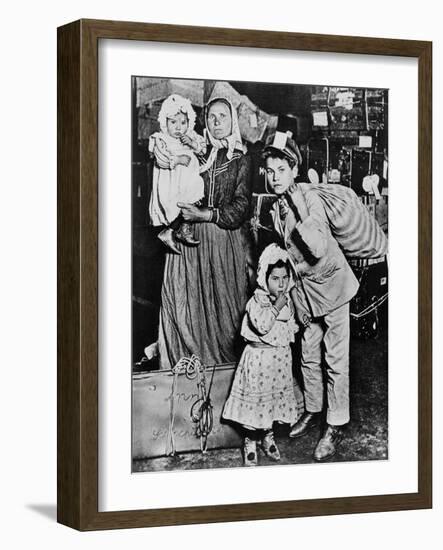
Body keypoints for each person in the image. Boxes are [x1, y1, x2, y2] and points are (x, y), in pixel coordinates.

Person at [262, 131, 359, 461]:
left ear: (295, 170)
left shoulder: (308, 198)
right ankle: (314, 410)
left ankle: (335, 424)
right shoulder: (277, 206)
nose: (274, 178)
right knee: (307, 353)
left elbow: (316, 247)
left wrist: (299, 204)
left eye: (281, 170)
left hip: (332, 286)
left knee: (335, 359)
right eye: (269, 171)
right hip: (307, 293)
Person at [153, 96, 253, 370]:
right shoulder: (199, 152)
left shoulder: (241, 160)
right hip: (188, 241)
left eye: (222, 116)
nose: (217, 121)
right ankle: (184, 367)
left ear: (233, 121)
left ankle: (223, 375)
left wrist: (206, 215)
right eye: (211, 117)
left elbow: (241, 207)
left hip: (221, 240)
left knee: (224, 310)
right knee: (185, 306)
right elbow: (171, 167)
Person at [222, 244, 301, 466]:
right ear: (264, 278)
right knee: (256, 402)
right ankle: (250, 440)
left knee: (272, 401)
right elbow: (263, 325)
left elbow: (290, 327)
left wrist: (293, 325)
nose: (282, 283)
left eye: (285, 278)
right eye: (275, 278)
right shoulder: (256, 302)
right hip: (259, 362)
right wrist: (277, 306)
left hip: (278, 362)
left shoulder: (286, 300)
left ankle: (268, 436)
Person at [148, 94, 206, 253]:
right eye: (173, 122)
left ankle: (179, 230)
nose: (178, 127)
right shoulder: (161, 139)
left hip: (188, 180)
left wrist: (193, 143)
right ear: (165, 123)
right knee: (177, 205)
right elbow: (161, 159)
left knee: (195, 197)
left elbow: (203, 148)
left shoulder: (190, 135)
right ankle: (171, 230)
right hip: (171, 183)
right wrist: (179, 159)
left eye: (183, 122)